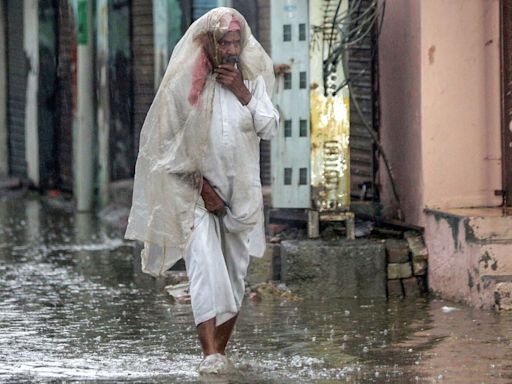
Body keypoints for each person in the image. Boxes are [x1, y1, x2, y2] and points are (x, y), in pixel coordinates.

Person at [125, 7, 279, 375]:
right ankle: (209, 355)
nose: (229, 49)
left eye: (235, 42)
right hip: (192, 193)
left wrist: (241, 91)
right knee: (205, 268)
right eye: (222, 42)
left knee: (234, 279)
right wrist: (201, 187)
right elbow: (163, 146)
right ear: (206, 43)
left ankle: (217, 356)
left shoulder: (251, 79)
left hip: (240, 198)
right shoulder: (184, 84)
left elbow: (270, 128)